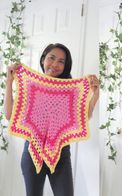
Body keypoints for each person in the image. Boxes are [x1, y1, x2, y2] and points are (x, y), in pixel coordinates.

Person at [4, 43, 99, 196]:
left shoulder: (71, 91)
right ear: (43, 60)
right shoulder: (30, 86)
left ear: (66, 66)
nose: (55, 64)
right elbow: (9, 115)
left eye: (61, 61)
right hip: (32, 152)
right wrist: (9, 81)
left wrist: (95, 94)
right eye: (51, 58)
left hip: (61, 155)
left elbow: (82, 118)